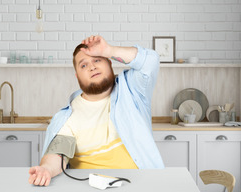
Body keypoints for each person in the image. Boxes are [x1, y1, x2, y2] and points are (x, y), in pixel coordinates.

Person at [28, 35, 164, 186]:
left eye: (97, 60)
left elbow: (151, 61)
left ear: (109, 62)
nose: (92, 67)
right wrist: (46, 169)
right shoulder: (67, 116)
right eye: (83, 66)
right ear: (77, 76)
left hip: (140, 185)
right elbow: (58, 154)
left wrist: (108, 49)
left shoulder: (133, 90)